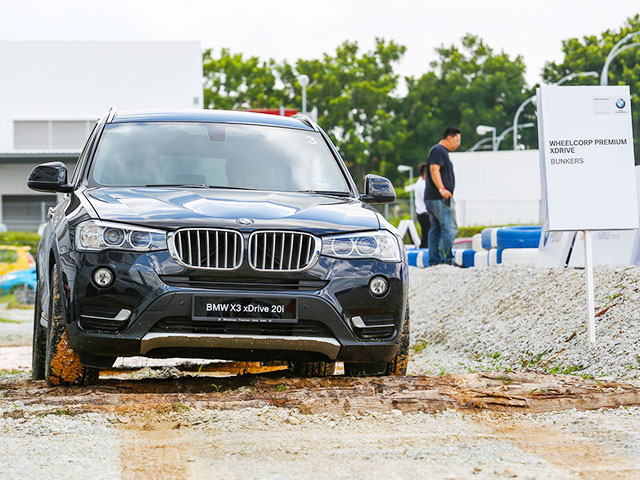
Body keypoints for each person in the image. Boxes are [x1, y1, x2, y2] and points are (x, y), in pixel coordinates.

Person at [425, 127, 461, 266]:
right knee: (449, 228)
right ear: (449, 138)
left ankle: (434, 261)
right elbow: (434, 169)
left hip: (435, 197)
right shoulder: (439, 150)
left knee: (436, 229)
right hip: (439, 197)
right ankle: (447, 260)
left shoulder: (438, 151)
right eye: (457, 140)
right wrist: (442, 189)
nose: (458, 144)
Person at [414, 162, 430, 248]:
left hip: (422, 213)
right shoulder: (422, 185)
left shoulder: (419, 182)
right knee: (427, 236)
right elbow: (426, 199)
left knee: (426, 235)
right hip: (425, 213)